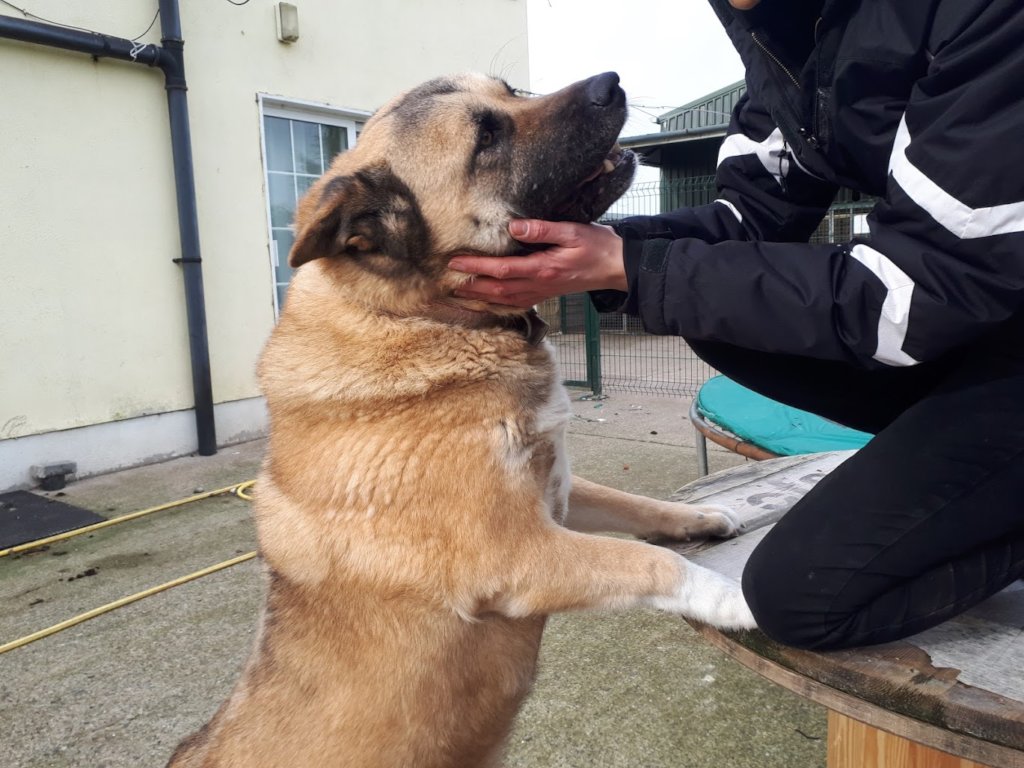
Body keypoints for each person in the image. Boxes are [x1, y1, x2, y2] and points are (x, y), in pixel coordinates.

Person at [447, 0, 1024, 650]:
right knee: (716, 315)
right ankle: (964, 466)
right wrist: (596, 252)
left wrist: (632, 267)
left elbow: (917, 294)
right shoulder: (783, 31)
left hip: (965, 317)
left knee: (803, 600)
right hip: (979, 330)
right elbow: (746, 217)